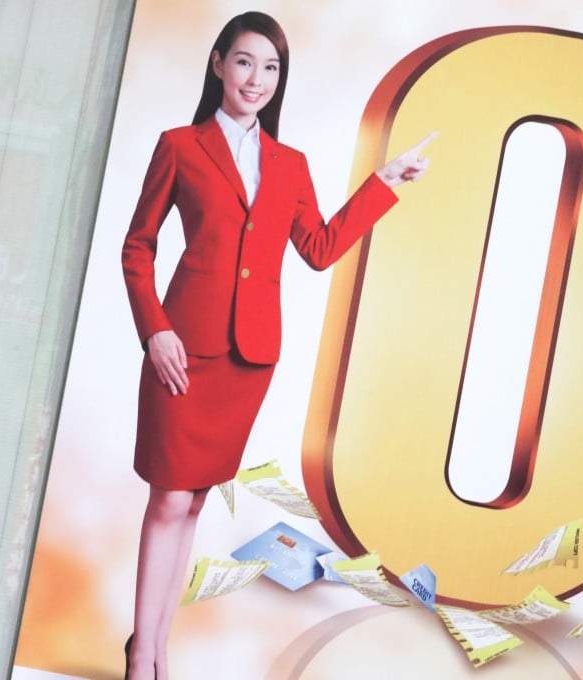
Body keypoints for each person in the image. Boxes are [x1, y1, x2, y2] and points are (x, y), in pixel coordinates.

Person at [120, 11, 434, 680]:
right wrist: (156, 330)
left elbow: (318, 250)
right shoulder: (179, 145)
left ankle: (158, 643)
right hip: (183, 348)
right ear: (218, 64)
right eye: (244, 62)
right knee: (169, 498)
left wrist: (385, 184)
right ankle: (141, 650)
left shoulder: (289, 164)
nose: (256, 78)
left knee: (197, 500)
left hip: (247, 357)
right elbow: (137, 247)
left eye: (271, 68)